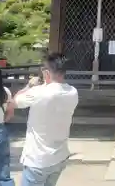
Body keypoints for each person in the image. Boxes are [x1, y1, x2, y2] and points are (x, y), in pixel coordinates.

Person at [14, 53, 78, 186]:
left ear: (47, 72)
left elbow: (16, 100)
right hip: (59, 155)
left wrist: (29, 86)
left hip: (37, 159)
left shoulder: (38, 92)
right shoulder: (73, 92)